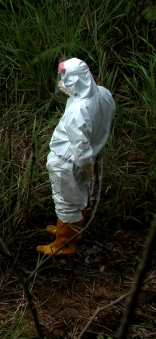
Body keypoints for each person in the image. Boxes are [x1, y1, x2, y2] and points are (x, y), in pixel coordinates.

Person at [37, 58, 115, 256]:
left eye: (66, 79)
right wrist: (89, 164)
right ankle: (71, 229)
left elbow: (79, 145)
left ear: (76, 81)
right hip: (87, 157)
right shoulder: (103, 94)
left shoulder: (78, 111)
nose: (62, 83)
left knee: (65, 199)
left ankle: (65, 243)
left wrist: (84, 163)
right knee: (79, 193)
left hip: (67, 160)